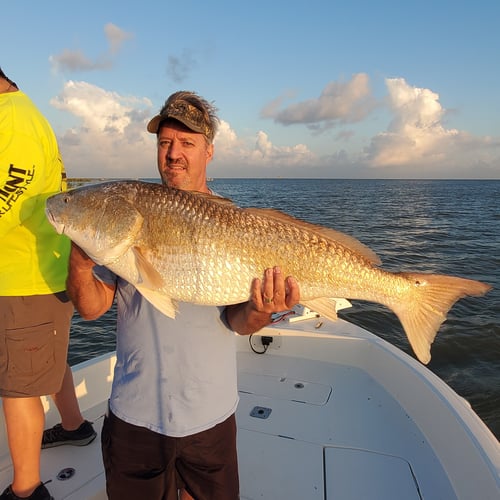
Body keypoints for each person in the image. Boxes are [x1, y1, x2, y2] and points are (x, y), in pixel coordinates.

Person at [66, 90, 301, 500]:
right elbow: (90, 308)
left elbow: (237, 322)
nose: (173, 153)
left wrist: (263, 311)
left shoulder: (235, 224)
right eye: (164, 143)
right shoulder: (127, 217)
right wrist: (80, 262)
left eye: (187, 143)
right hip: (133, 415)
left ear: (209, 151)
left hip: (208, 416)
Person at [0, 67, 96, 500]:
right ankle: (75, 427)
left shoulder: (13, 122)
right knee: (46, 358)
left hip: (25, 276)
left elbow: (8, 197)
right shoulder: (22, 114)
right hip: (42, 271)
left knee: (18, 385)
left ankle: (26, 490)